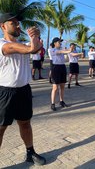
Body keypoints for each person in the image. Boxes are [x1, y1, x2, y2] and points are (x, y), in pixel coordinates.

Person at [0, 12, 46, 165]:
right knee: (1, 128)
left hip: (24, 90)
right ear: (3, 26)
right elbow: (27, 49)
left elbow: (37, 49)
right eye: (13, 23)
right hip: (5, 93)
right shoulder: (2, 44)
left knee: (25, 123)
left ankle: (30, 152)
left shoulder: (24, 44)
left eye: (18, 22)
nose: (18, 25)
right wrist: (33, 43)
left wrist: (37, 37)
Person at [50, 37, 71, 111]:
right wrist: (68, 50)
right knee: (55, 87)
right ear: (55, 43)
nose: (60, 43)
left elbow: (66, 59)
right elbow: (60, 52)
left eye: (60, 42)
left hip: (62, 67)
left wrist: (67, 52)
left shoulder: (61, 50)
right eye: (59, 42)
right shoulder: (52, 50)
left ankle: (61, 101)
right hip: (56, 68)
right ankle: (53, 103)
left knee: (62, 86)